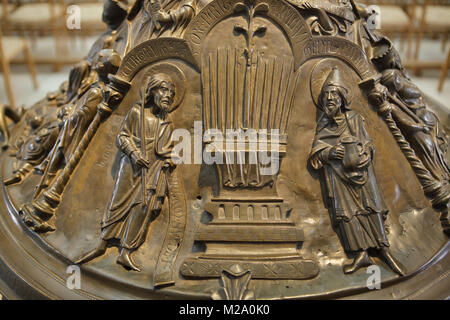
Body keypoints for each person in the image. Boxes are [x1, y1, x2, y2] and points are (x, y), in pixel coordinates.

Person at [76, 73, 177, 271]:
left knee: (142, 210)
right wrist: (134, 153)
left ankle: (125, 252)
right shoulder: (137, 114)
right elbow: (122, 137)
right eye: (164, 90)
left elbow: (165, 149)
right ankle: (101, 245)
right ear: (152, 91)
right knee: (118, 204)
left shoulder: (167, 123)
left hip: (152, 171)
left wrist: (168, 159)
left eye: (171, 93)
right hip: (131, 168)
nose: (168, 96)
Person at [309, 67, 404, 275]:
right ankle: (361, 254)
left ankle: (383, 249)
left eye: (334, 95)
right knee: (348, 215)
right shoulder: (324, 126)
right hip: (338, 177)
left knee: (372, 207)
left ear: (343, 98)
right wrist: (330, 153)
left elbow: (368, 142)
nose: (329, 99)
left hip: (362, 172)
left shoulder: (354, 119)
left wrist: (364, 152)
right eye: (326, 96)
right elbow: (316, 153)